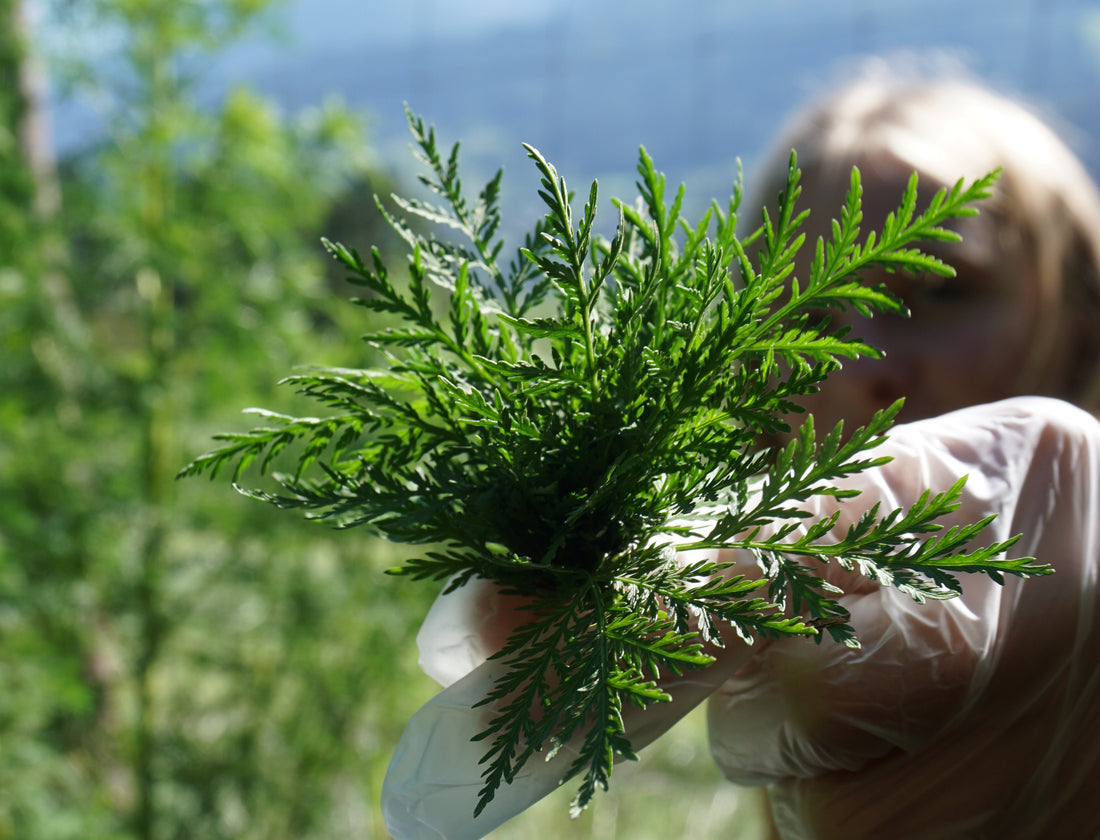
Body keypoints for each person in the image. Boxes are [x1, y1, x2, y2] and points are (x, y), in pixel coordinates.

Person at [380, 76, 1100, 840]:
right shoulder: (768, 635)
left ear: (1082, 322)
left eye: (934, 289)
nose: (857, 364)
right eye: (807, 317)